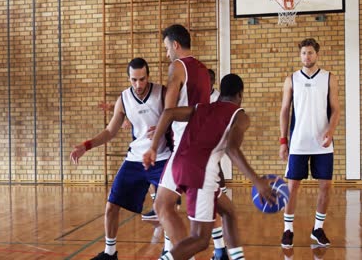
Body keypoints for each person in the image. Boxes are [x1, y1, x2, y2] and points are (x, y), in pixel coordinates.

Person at [143, 73, 275, 260]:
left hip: (177, 164)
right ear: (240, 95)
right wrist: (257, 181)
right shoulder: (240, 115)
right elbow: (231, 149)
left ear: (221, 93)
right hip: (200, 172)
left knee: (228, 211)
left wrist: (153, 147)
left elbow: (168, 113)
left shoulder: (201, 108)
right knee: (200, 239)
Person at [70, 58, 171, 260]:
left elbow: (177, 118)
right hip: (135, 159)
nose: (139, 85)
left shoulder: (163, 93)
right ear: (129, 79)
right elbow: (110, 131)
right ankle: (110, 252)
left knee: (166, 209)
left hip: (162, 158)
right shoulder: (124, 98)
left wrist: (163, 126)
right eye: (134, 80)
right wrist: (86, 145)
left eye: (142, 79)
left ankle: (168, 250)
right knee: (111, 205)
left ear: (148, 76)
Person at [279, 38, 340, 249]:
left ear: (317, 54)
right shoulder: (291, 79)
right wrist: (283, 141)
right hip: (298, 142)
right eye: (304, 53)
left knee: (326, 186)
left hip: (322, 143)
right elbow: (285, 111)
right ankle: (288, 230)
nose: (307, 56)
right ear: (300, 55)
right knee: (293, 186)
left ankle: (318, 228)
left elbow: (336, 109)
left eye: (311, 53)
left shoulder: (329, 78)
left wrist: (330, 131)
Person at [158, 23, 212, 255]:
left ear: (175, 44)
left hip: (185, 146)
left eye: (167, 48)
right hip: (202, 144)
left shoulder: (177, 66)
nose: (166, 53)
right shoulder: (203, 69)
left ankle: (181, 255)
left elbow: (169, 109)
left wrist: (155, 136)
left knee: (163, 205)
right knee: (167, 204)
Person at [208, 68, 231, 260]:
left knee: (216, 171)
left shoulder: (218, 98)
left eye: (211, 80)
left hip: (214, 141)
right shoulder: (196, 97)